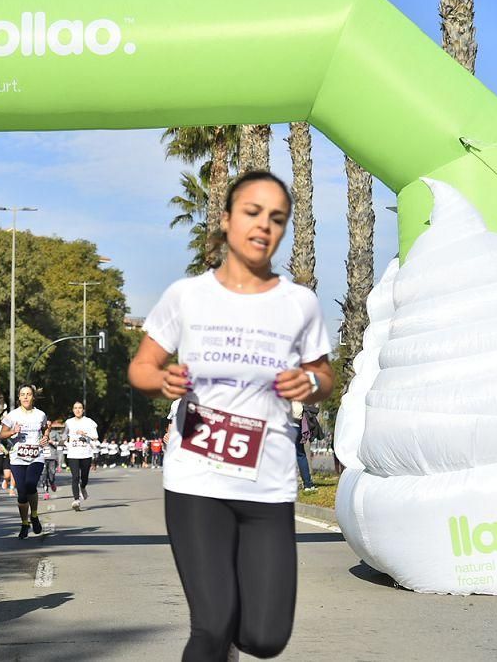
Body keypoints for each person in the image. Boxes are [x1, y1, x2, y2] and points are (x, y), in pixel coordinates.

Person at [128, 170, 333, 660]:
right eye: (252, 212)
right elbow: (141, 366)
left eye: (277, 218)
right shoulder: (187, 296)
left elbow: (325, 376)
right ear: (226, 220)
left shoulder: (299, 304)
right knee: (213, 624)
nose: (265, 226)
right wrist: (162, 381)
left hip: (267, 478)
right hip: (197, 476)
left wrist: (310, 383)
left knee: (264, 638)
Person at [0, 385, 51, 539]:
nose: (26, 397)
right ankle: (24, 523)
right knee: (22, 494)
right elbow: (2, 435)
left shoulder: (40, 414)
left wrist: (45, 437)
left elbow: (45, 428)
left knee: (30, 485)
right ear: (19, 398)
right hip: (17, 458)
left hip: (36, 456)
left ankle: (34, 515)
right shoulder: (12, 415)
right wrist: (13, 431)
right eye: (23, 394)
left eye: (29, 394)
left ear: (33, 397)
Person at [63, 401, 99, 511]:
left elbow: (95, 436)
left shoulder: (89, 422)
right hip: (73, 454)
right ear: (73, 410)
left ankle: (83, 487)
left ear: (83, 410)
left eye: (80, 408)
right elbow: (64, 435)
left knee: (84, 478)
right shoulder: (68, 422)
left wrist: (85, 434)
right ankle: (76, 500)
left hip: (86, 454)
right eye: (75, 408)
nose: (77, 410)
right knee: (75, 477)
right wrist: (65, 443)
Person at [39, 423, 60, 500]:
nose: (47, 426)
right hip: (42, 457)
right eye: (46, 424)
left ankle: (52, 483)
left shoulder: (55, 433)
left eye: (49, 425)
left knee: (51, 474)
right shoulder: (39, 433)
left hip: (52, 457)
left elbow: (61, 443)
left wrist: (53, 442)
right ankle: (46, 492)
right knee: (43, 475)